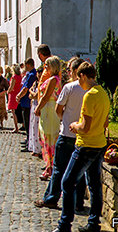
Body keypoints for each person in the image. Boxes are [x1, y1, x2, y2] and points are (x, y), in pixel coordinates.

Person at [52, 62, 109, 232]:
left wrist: (75, 126)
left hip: (86, 145)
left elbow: (85, 126)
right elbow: (105, 122)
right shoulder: (103, 93)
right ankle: (93, 224)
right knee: (94, 185)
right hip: (99, 144)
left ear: (83, 76)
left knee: (67, 182)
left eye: (79, 78)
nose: (79, 82)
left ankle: (64, 225)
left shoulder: (90, 95)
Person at [37, 58, 88, 211]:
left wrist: (64, 119)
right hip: (83, 135)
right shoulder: (92, 89)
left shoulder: (69, 87)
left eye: (69, 70)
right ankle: (78, 203)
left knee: (59, 168)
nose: (67, 72)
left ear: (74, 71)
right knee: (80, 171)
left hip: (67, 133)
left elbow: (58, 109)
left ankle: (51, 198)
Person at [36, 56, 63, 181]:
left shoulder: (53, 79)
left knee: (50, 138)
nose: (44, 67)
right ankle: (49, 166)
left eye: (47, 65)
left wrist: (38, 108)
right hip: (48, 109)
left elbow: (46, 96)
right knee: (48, 138)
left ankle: (50, 167)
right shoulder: (54, 78)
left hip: (49, 110)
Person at [17, 60, 37, 148]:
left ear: (28, 65)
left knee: (28, 122)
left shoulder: (32, 75)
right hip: (25, 102)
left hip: (27, 102)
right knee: (27, 122)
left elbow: (26, 88)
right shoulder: (30, 74)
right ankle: (28, 140)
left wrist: (19, 96)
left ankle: (29, 142)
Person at [8, 64, 23, 133]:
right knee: (19, 110)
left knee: (14, 112)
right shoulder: (20, 76)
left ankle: (16, 127)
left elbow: (11, 87)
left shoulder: (14, 77)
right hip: (19, 93)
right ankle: (23, 125)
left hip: (13, 94)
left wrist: (8, 91)